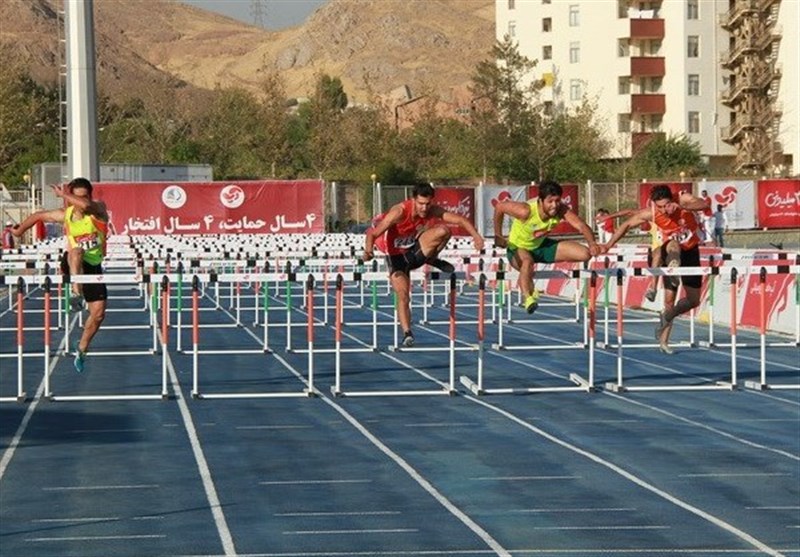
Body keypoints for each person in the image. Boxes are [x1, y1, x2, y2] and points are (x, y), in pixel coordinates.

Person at [364, 182, 484, 347]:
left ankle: (431, 258)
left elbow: (461, 220)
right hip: (395, 257)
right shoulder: (399, 212)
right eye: (421, 204)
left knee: (444, 231)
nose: (424, 208)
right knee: (403, 295)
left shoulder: (431, 210)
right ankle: (407, 333)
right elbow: (373, 233)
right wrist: (368, 251)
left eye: (428, 204)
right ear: (413, 200)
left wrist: (476, 236)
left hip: (413, 251)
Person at [12, 178, 109, 372]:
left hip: (93, 265)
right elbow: (39, 215)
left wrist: (64, 194)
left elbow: (86, 205)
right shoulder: (66, 214)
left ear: (90, 196)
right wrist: (19, 230)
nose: (79, 202)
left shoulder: (98, 209)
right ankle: (75, 293)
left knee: (98, 314)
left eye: (83, 197)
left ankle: (81, 348)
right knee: (76, 251)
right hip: (72, 262)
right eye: (75, 197)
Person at [601, 185, 708, 354]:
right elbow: (627, 225)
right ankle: (664, 340)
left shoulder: (683, 199)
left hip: (691, 250)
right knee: (670, 292)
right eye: (659, 207)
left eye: (666, 205)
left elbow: (704, 204)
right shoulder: (650, 212)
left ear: (672, 199)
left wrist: (681, 207)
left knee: (694, 301)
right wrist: (608, 245)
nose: (664, 210)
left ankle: (668, 315)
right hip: (668, 249)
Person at [493, 180, 603, 314]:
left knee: (584, 254)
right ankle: (528, 298)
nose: (554, 206)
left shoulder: (561, 210)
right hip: (518, 248)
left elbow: (581, 225)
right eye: (550, 201)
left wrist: (592, 243)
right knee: (527, 262)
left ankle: (529, 276)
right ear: (540, 200)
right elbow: (499, 207)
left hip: (540, 246)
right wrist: (498, 235)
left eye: (557, 201)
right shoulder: (525, 211)